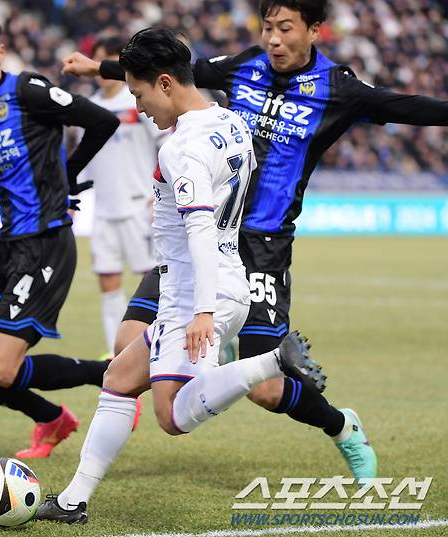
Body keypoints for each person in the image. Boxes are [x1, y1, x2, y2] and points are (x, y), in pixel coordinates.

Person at [58, 0, 448, 485]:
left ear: (315, 31)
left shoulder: (337, 87)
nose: (274, 39)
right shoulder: (244, 67)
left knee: (265, 391)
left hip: (263, 243)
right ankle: (192, 368)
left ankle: (342, 426)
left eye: (286, 28)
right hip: (201, 234)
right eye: (268, 27)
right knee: (125, 345)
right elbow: (176, 73)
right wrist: (100, 67)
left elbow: (402, 105)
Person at [36, 27, 327, 524]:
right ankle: (72, 501)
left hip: (194, 291)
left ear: (166, 82)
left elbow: (198, 227)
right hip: (226, 275)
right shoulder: (230, 121)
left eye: (140, 93)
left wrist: (201, 312)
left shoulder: (181, 148)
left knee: (171, 418)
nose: (141, 106)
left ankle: (272, 361)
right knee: (119, 378)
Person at [0, 9, 120, 459]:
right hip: (7, 247)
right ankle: (51, 418)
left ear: (0, 51)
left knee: (0, 367)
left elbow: (101, 121)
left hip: (46, 243)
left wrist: (68, 175)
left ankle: (109, 373)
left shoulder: (27, 90)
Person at [79, 35, 163, 355]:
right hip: (103, 209)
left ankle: (156, 346)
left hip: (138, 206)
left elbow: (165, 143)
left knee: (151, 282)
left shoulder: (138, 103)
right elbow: (85, 159)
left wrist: (160, 189)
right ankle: (116, 352)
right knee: (107, 281)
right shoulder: (89, 109)